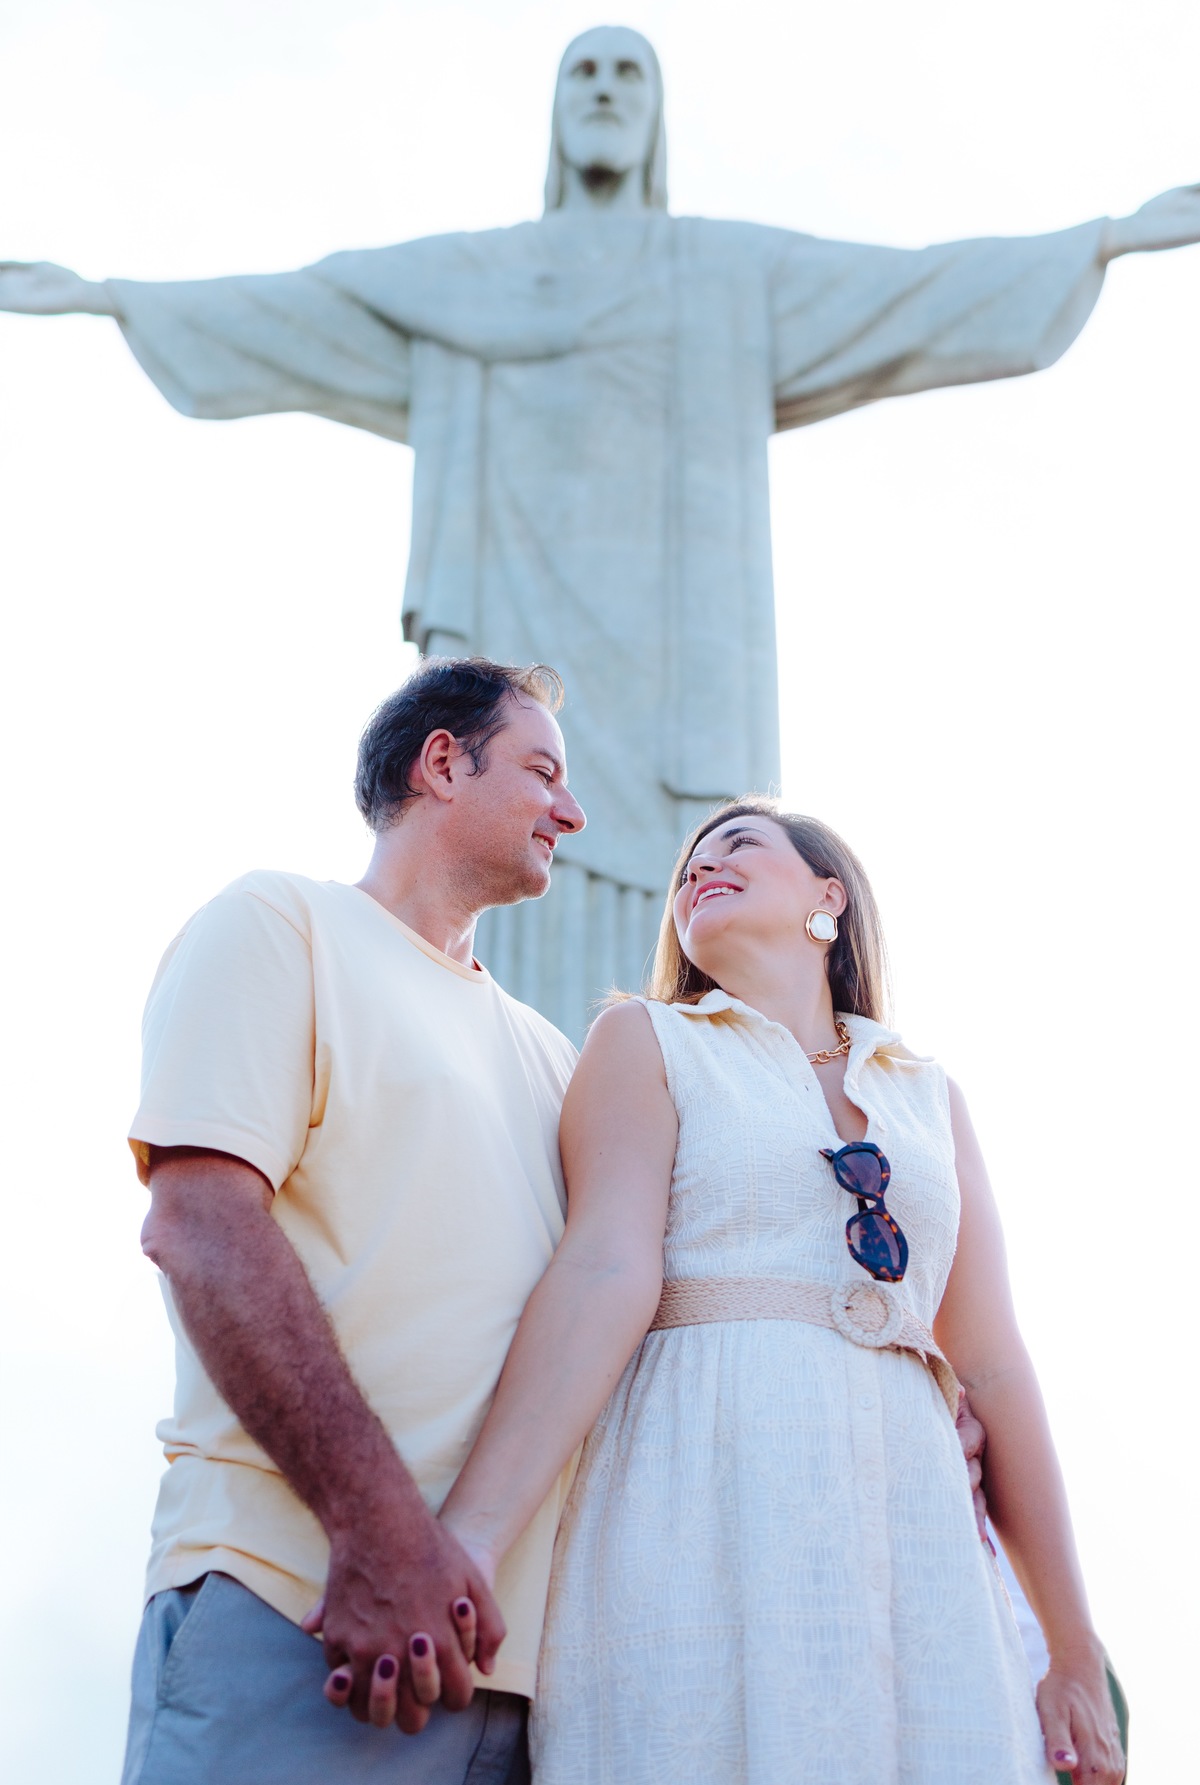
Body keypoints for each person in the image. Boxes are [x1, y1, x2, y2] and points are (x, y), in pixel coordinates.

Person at [3, 26, 1198, 1038]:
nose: (607, 96)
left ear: (658, 117)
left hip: (683, 666)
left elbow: (910, 289)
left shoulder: (723, 275)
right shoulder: (475, 278)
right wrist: (118, 299)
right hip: (518, 636)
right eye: (585, 74)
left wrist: (1096, 241)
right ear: (555, 114)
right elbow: (303, 303)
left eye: (630, 75)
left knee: (694, 904)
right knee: (503, 882)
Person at [435, 798, 1126, 1785]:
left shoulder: (928, 1092)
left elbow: (993, 1362)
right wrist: (473, 1535)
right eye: (687, 869)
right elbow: (602, 1271)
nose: (699, 871)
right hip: (697, 1489)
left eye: (739, 847)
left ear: (829, 899)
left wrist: (1071, 1652)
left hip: (915, 1525)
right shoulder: (645, 1041)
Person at [120, 657, 586, 1785]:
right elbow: (203, 1226)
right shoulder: (282, 924)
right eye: (542, 771)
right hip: (304, 1612)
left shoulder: (553, 1058)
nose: (571, 812)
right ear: (441, 763)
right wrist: (378, 1535)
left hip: (523, 1691)